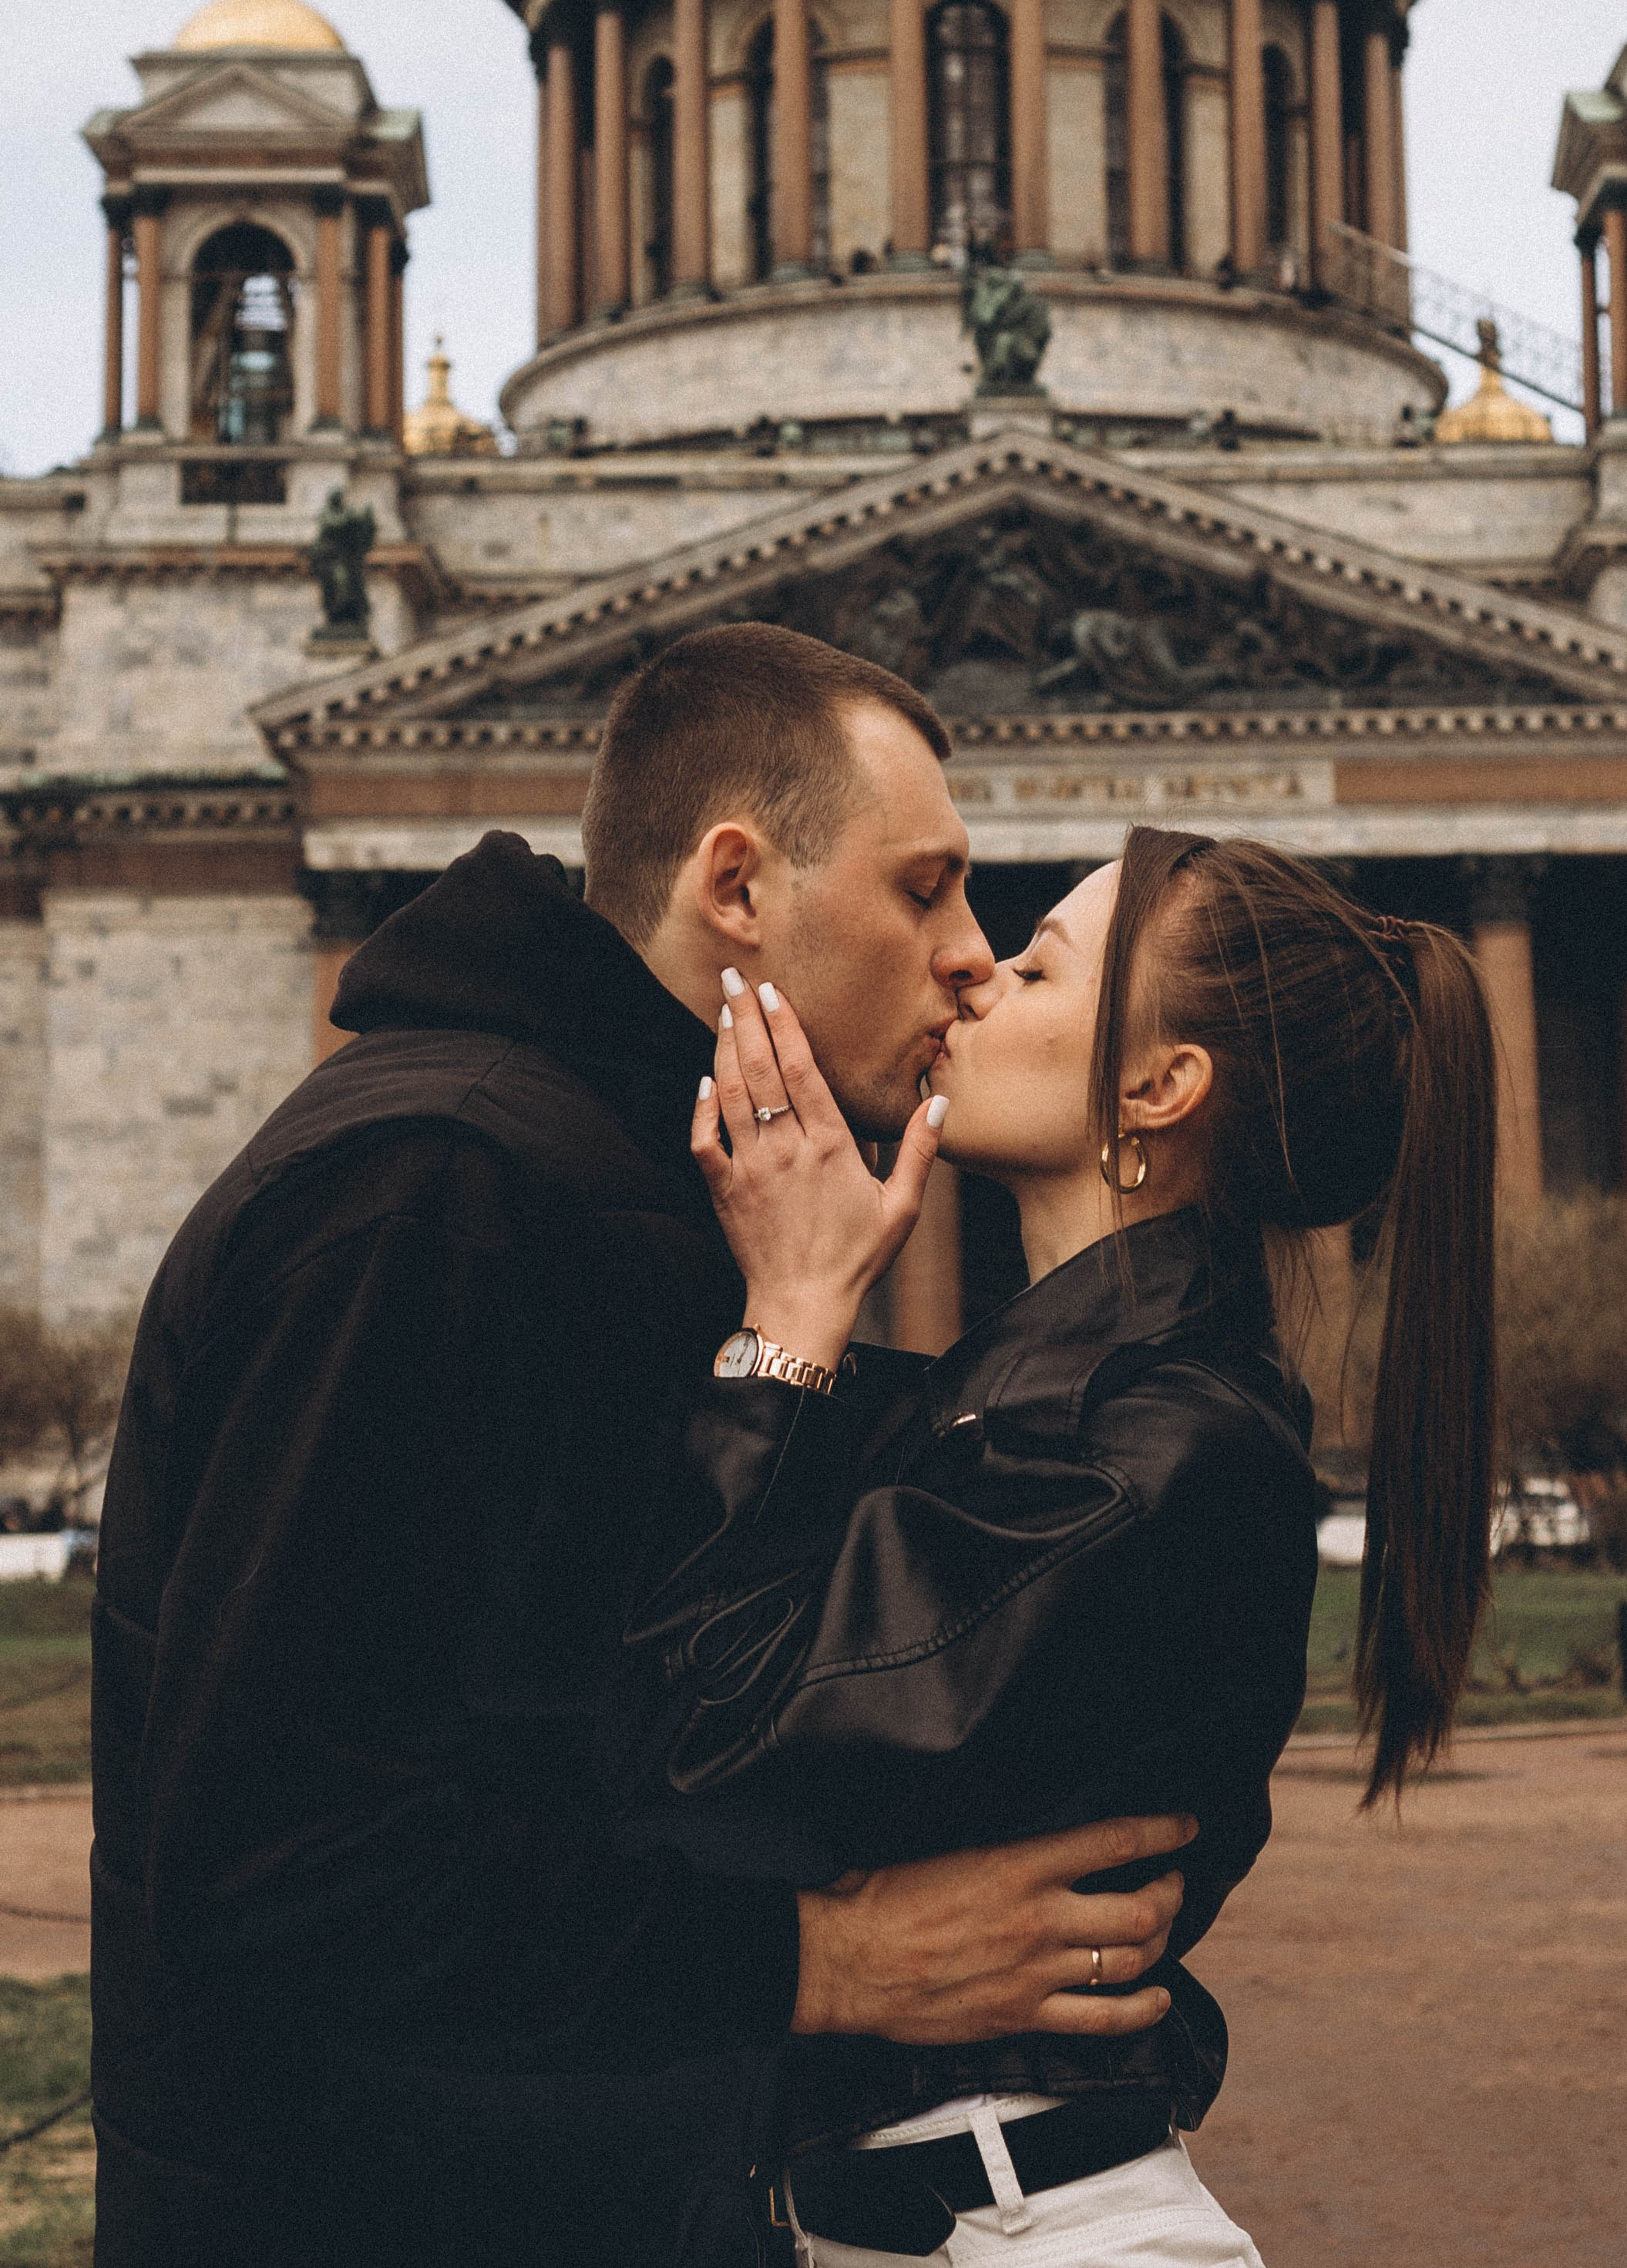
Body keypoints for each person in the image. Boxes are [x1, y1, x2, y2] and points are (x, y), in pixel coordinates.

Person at [89, 626, 1193, 2268]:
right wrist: (820, 1962)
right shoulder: (430, 1195)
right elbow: (280, 1866)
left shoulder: (620, 1187)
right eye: (926, 888)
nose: (971, 956)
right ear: (736, 886)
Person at [630, 828, 1501, 2265]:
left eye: (1037, 965)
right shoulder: (1020, 1408)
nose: (971, 972)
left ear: (1158, 1088)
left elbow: (703, 1749)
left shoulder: (1154, 1454)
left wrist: (786, 1324)